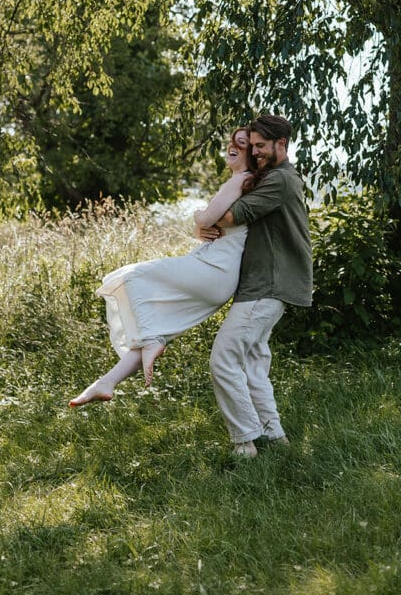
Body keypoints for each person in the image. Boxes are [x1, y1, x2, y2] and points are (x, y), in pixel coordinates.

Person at [68, 127, 254, 408]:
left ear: (252, 154)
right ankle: (106, 382)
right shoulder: (243, 182)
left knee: (133, 276)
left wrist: (197, 217)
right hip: (219, 278)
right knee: (155, 328)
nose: (232, 147)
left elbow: (206, 219)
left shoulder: (240, 179)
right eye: (232, 141)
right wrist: (201, 224)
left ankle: (151, 340)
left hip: (212, 268)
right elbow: (208, 226)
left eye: (241, 144)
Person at [200, 113, 312, 458]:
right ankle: (275, 438)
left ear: (282, 143)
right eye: (254, 146)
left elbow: (229, 216)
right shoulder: (275, 177)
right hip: (261, 285)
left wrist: (199, 222)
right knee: (251, 364)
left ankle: (244, 441)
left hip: (269, 286)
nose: (257, 152)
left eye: (261, 146)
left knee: (223, 359)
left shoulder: (280, 179)